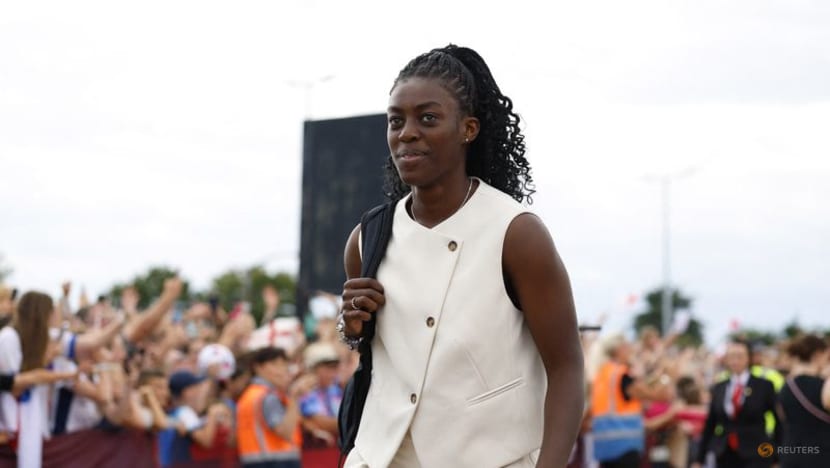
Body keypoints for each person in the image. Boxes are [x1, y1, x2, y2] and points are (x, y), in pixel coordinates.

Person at [338, 44, 584, 467]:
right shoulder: (367, 238)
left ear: (468, 129)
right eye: (396, 121)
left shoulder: (517, 233)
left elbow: (566, 369)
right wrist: (352, 326)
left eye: (427, 118)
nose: (407, 132)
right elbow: (380, 354)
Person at [694, 340, 780, 468]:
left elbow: (779, 421)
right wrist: (699, 459)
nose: (735, 361)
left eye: (739, 356)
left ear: (748, 358)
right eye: (731, 356)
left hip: (756, 452)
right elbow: (711, 423)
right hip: (725, 453)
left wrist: (776, 456)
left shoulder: (764, 385)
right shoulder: (719, 387)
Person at [590, 334, 673, 468]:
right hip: (624, 447)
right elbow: (657, 395)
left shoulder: (603, 372)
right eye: (627, 347)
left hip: (604, 447)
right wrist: (666, 377)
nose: (630, 350)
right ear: (618, 350)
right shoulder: (622, 374)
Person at [235, 347, 302, 468]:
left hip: (257, 461)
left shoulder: (249, 394)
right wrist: (294, 397)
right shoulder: (268, 396)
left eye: (283, 364)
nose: (280, 370)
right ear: (258, 367)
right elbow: (285, 432)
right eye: (274, 364)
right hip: (275, 462)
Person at [777, 334, 830, 468]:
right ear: (818, 355)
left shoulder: (785, 386)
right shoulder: (825, 386)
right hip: (821, 456)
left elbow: (782, 417)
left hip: (789, 454)